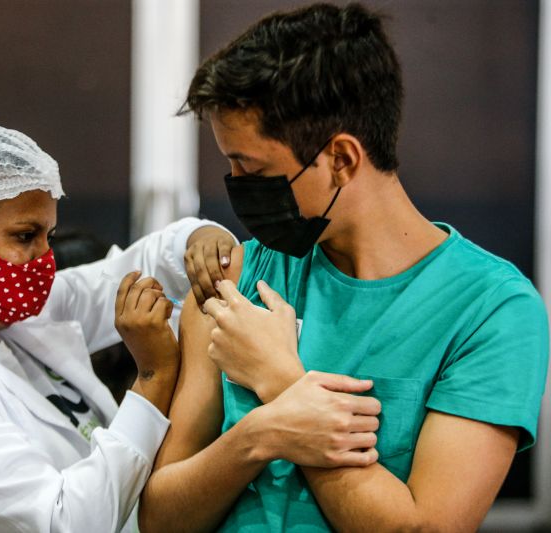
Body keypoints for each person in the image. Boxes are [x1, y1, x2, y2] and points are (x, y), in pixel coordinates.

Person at [138, 4, 550, 532]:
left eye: (252, 167)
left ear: (342, 159)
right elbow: (161, 518)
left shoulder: (491, 311)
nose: (235, 181)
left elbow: (426, 528)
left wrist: (282, 383)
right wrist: (260, 434)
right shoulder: (235, 277)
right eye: (230, 162)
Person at [0, 120, 238, 532]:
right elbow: (65, 522)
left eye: (48, 236)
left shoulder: (6, 315)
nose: (45, 259)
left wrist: (198, 238)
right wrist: (152, 378)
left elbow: (130, 270)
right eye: (24, 237)